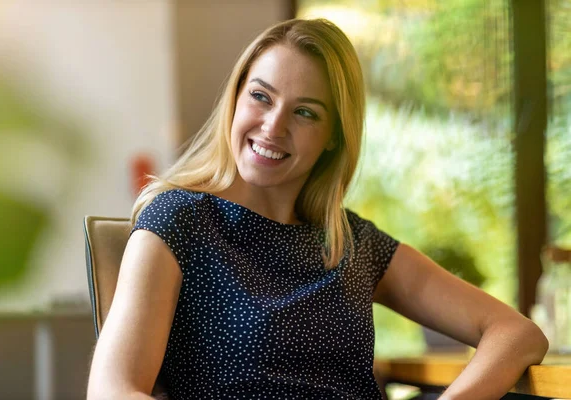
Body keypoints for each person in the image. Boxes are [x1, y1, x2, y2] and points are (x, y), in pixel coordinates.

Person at [87, 18, 548, 400]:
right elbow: (112, 391)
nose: (273, 126)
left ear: (333, 138)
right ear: (236, 98)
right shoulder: (177, 221)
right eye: (261, 96)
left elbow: (516, 333)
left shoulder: (353, 242)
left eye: (304, 112)